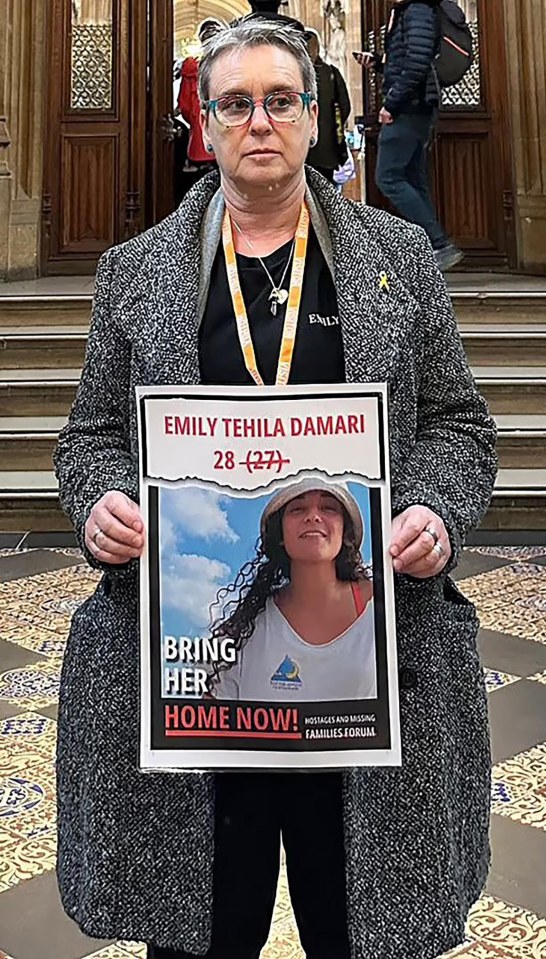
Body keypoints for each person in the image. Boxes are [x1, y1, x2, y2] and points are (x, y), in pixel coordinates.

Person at [54, 17, 497, 959]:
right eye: (236, 104)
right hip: (200, 679)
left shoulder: (399, 260)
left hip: (370, 680)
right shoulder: (130, 274)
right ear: (205, 126)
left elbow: (458, 425)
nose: (260, 122)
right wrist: (98, 503)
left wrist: (431, 510)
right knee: (202, 934)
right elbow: (90, 437)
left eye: (282, 101)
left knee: (362, 931)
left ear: (314, 118)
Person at [209, 479, 376, 702]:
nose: (313, 517)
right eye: (298, 509)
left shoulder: (385, 609)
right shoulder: (239, 636)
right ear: (280, 533)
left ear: (345, 531)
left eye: (328, 508)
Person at [355, 0, 464, 272]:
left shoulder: (417, 10)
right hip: (415, 106)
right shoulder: (409, 11)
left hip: (409, 108)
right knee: (414, 178)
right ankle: (432, 247)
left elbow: (417, 62)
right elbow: (409, 59)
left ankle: (438, 244)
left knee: (388, 176)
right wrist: (379, 63)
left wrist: (391, 104)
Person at [177, 19, 222, 189]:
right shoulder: (230, 67)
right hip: (228, 139)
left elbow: (185, 105)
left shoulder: (190, 69)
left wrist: (195, 122)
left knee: (200, 186)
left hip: (200, 141)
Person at [305, 29, 351, 182]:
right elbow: (344, 106)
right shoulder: (331, 73)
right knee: (325, 193)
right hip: (327, 148)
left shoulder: (295, 75)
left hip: (302, 149)